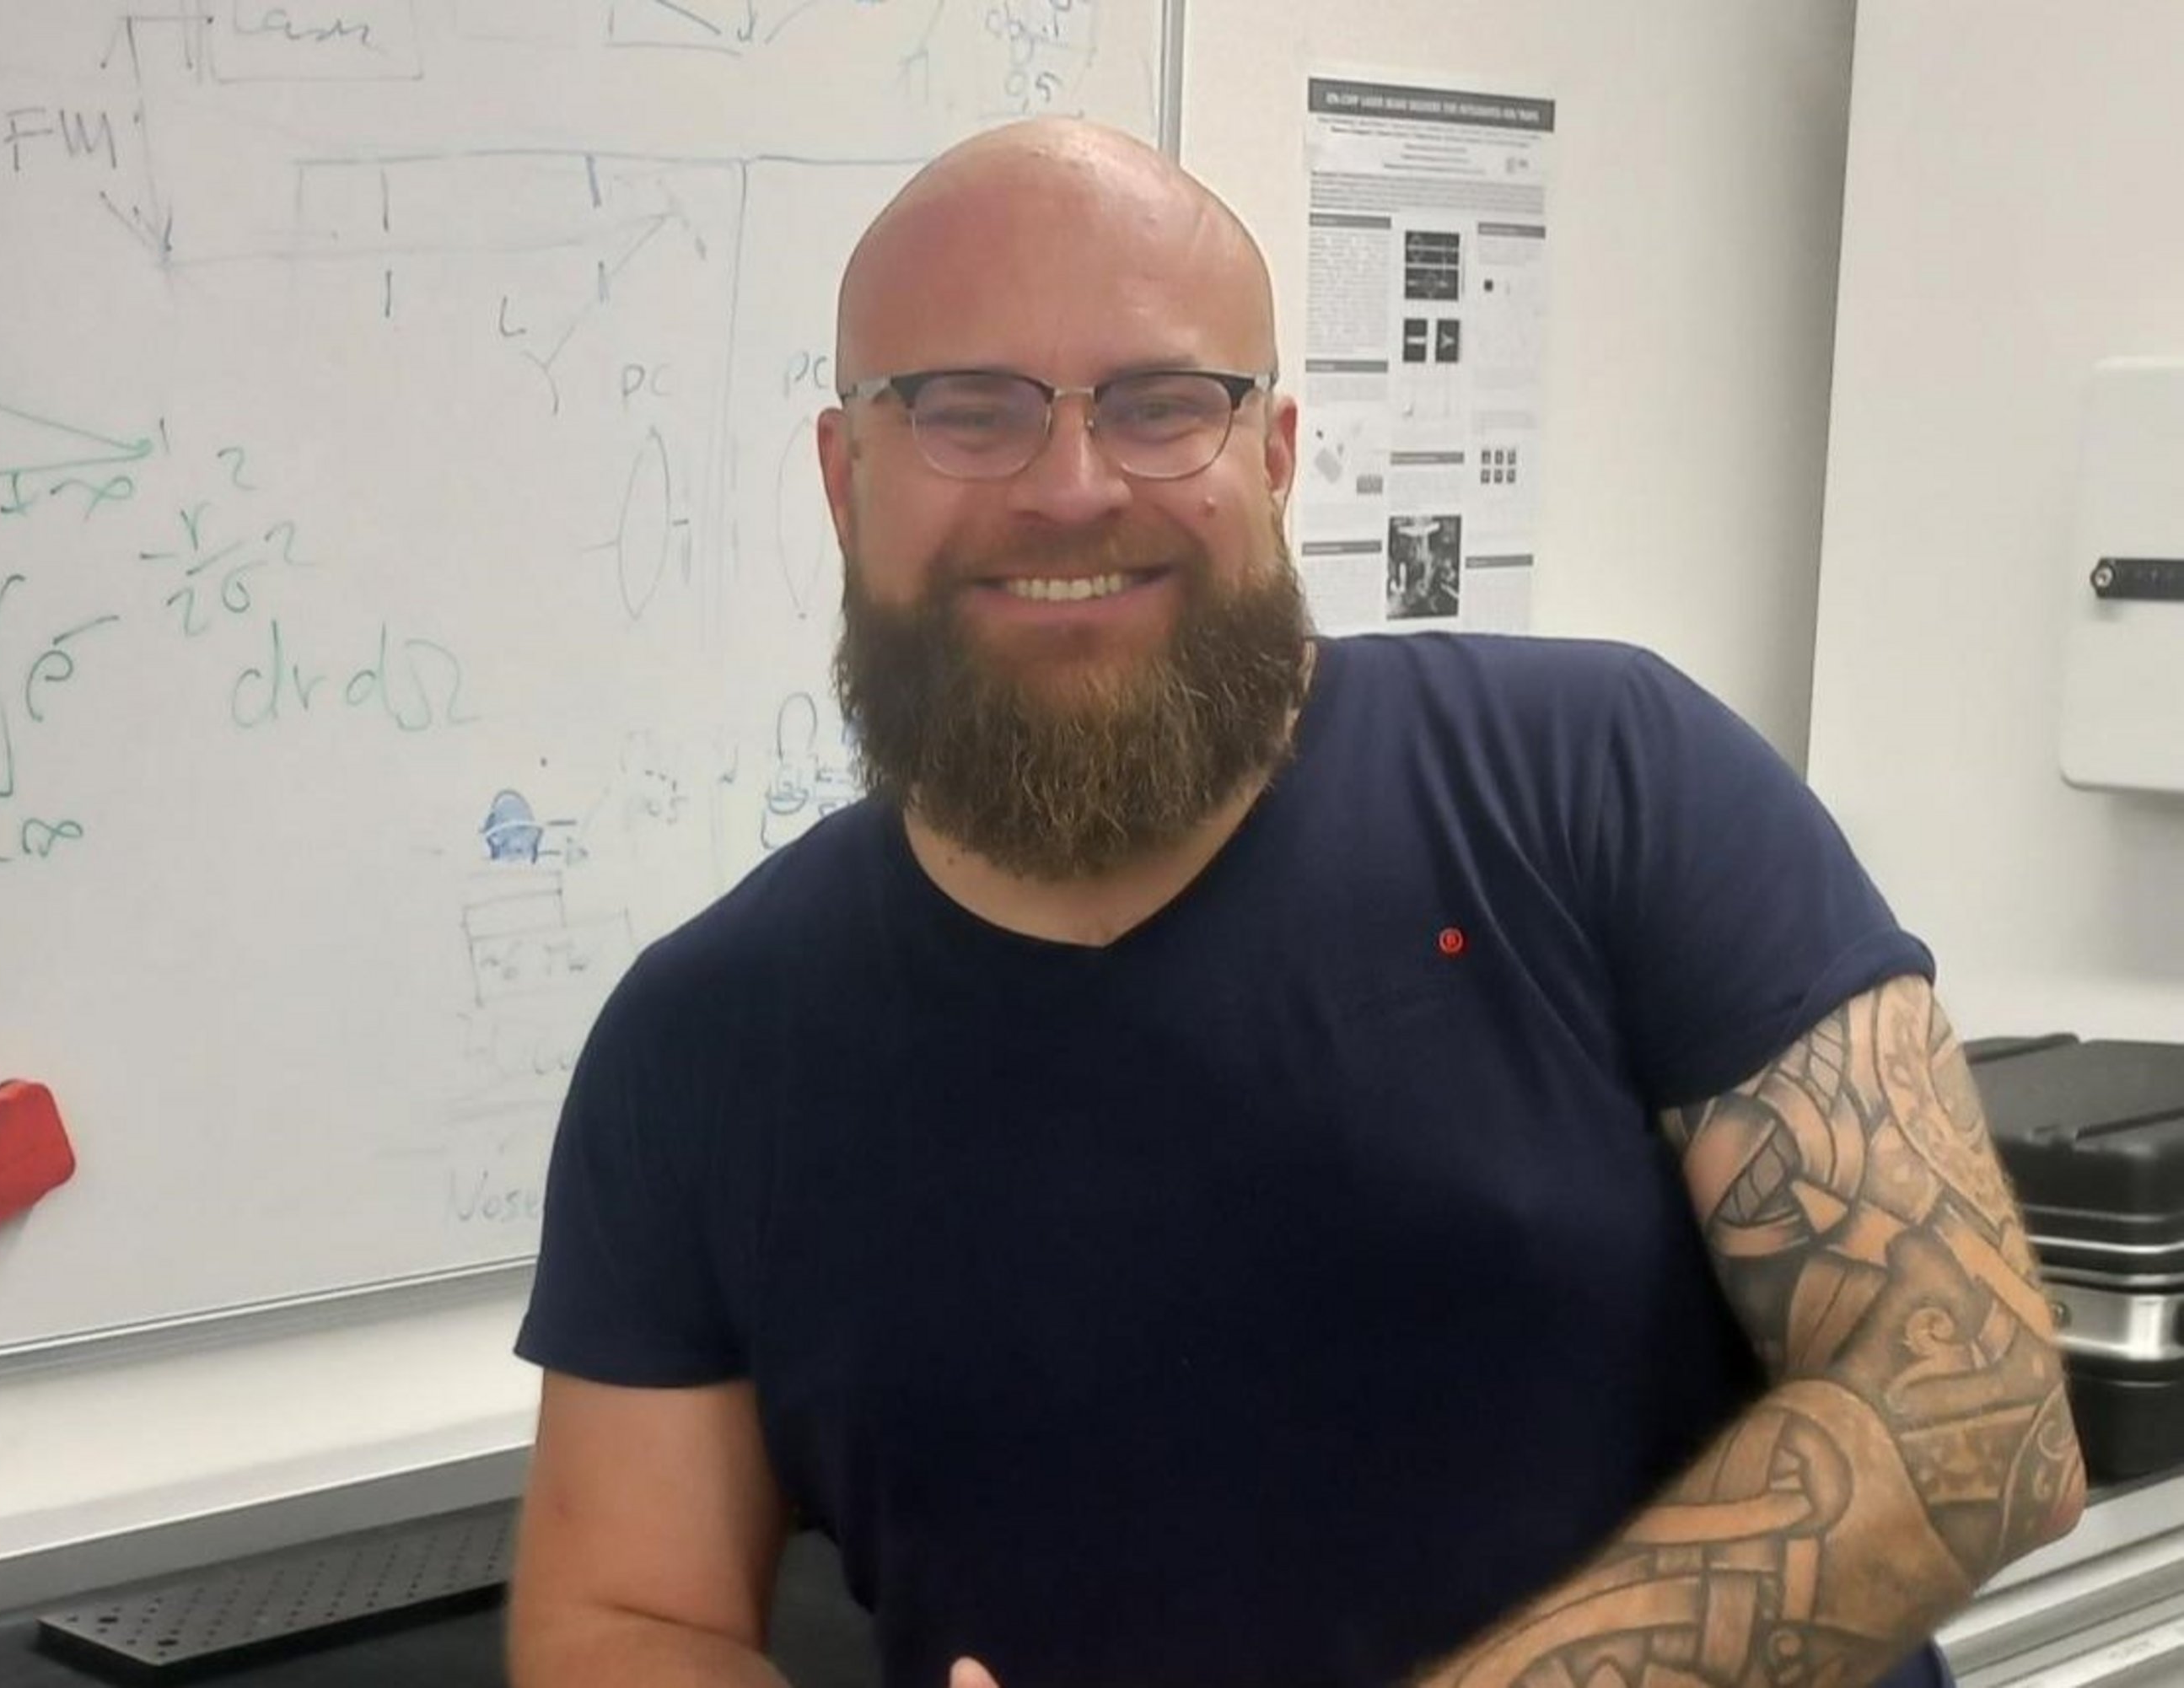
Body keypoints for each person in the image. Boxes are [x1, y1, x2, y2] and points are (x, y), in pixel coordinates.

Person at [505, 118, 2084, 1688]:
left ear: (1271, 454)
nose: (1071, 485)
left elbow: (1969, 1414)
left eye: (1162, 405)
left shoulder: (1608, 781)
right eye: (966, 410)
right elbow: (622, 1620)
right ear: (847, 478)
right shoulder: (705, 1039)